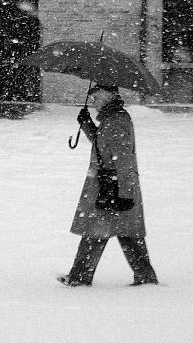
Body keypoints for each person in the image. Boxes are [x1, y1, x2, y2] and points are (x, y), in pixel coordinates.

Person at [57, 84, 158, 287]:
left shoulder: (116, 121)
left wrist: (125, 194)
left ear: (109, 97)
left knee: (99, 231)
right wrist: (87, 125)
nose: (93, 104)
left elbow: (123, 160)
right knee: (124, 233)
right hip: (111, 183)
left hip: (113, 185)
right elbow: (102, 144)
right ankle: (145, 278)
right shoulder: (111, 119)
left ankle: (80, 278)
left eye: (96, 99)